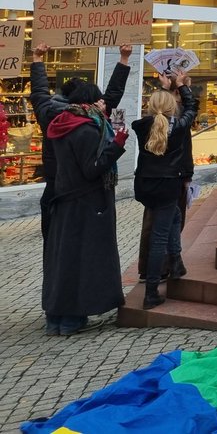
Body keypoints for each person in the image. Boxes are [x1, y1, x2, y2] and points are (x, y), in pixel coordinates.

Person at [39, 73, 128, 336]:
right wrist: (118, 145)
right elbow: (93, 168)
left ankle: (55, 318)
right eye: (99, 100)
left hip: (65, 199)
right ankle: (72, 319)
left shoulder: (61, 124)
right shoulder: (86, 129)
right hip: (87, 203)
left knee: (62, 260)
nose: (103, 104)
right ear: (89, 102)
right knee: (82, 261)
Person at [31, 43, 132, 241]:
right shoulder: (91, 119)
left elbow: (39, 92)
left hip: (53, 189)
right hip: (82, 194)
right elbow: (113, 95)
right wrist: (124, 58)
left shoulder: (49, 114)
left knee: (53, 248)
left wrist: (37, 59)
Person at [132, 75, 197, 309]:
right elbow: (191, 107)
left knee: (174, 218)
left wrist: (164, 89)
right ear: (172, 109)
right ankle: (151, 291)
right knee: (160, 236)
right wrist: (180, 86)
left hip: (146, 185)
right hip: (167, 185)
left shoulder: (140, 127)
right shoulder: (178, 127)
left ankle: (177, 262)